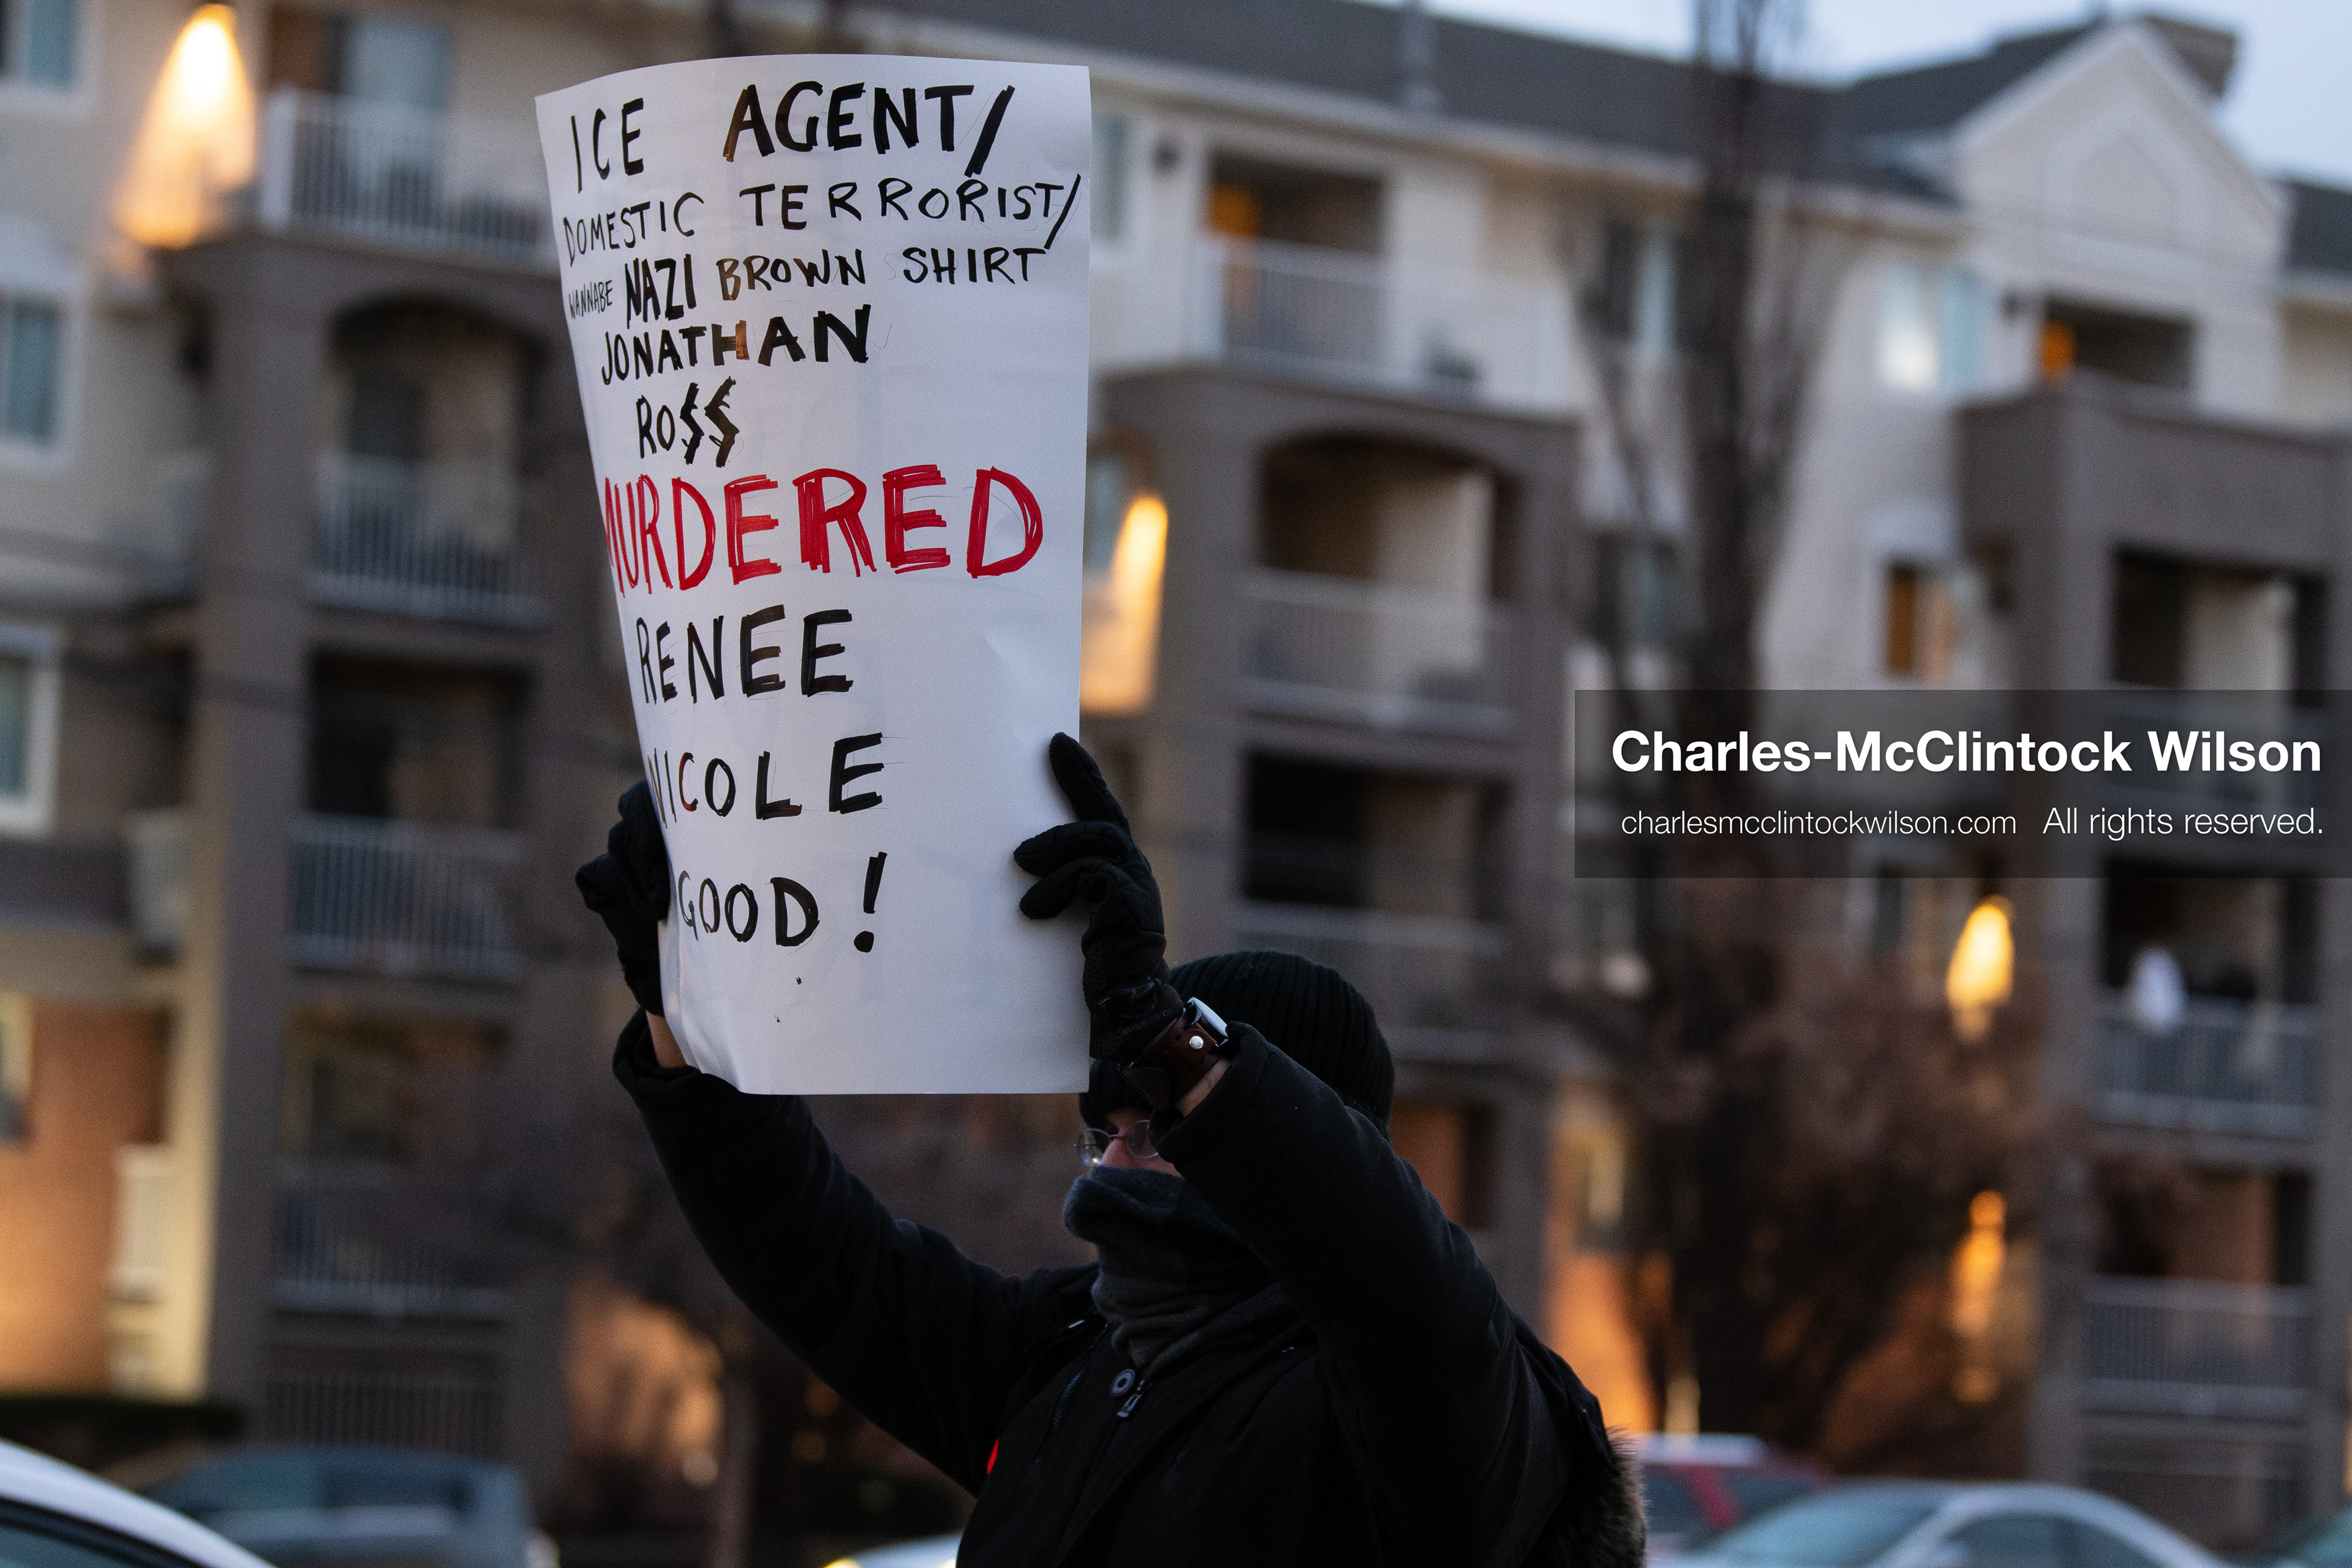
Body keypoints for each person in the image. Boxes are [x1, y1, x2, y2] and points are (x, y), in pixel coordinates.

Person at [576, 734, 1641, 1568]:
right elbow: (816, 1256)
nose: (1117, 1163)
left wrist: (1170, 1038)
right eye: (1109, 1127)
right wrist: (691, 1015)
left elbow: (1407, 1293)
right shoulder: (1072, 1351)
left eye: (1162, 1128)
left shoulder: (1433, 1407)